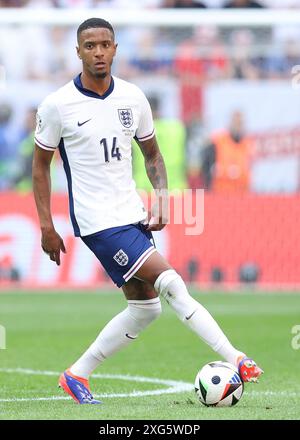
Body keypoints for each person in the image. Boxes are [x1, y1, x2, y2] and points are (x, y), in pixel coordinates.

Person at [32, 18, 263, 405]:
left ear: (116, 49)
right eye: (90, 46)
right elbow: (39, 166)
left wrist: (161, 197)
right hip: (97, 220)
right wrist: (45, 225)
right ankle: (237, 359)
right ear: (78, 52)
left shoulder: (133, 97)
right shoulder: (58, 105)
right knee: (171, 283)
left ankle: (76, 375)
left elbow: (152, 155)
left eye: (105, 44)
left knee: (145, 308)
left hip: (131, 212)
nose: (99, 52)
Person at [202, 110, 252, 192]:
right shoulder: (218, 142)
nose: (238, 126)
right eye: (236, 123)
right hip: (221, 195)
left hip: (242, 196)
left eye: (240, 123)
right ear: (230, 123)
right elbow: (206, 167)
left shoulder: (247, 144)